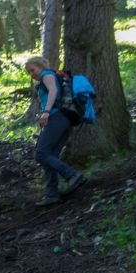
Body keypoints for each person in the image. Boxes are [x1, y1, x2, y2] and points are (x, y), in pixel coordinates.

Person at [24, 56, 87, 206]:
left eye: (33, 70)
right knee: (50, 157)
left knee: (41, 153)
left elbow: (53, 90)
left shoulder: (47, 74)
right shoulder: (48, 77)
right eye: (29, 72)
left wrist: (46, 112)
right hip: (64, 119)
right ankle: (52, 194)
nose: (32, 74)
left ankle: (72, 175)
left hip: (57, 116)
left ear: (40, 66)